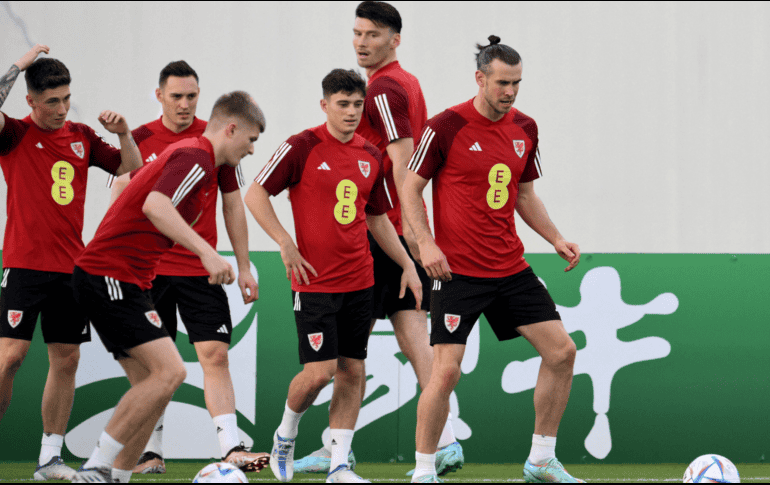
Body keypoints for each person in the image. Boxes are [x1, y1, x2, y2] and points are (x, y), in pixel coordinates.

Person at [402, 36, 584, 484]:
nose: (510, 92)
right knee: (445, 373)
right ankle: (426, 469)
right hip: (456, 272)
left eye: (517, 83)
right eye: (502, 83)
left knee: (562, 353)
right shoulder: (445, 126)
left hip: (510, 269)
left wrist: (556, 237)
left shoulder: (526, 127)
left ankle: (541, 459)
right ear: (480, 78)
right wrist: (425, 244)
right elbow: (409, 188)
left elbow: (524, 194)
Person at [293, 2, 464, 477]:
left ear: (395, 39)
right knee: (414, 341)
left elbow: (402, 160)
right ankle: (444, 440)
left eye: (372, 34)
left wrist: (410, 230)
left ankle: (338, 449)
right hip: (401, 231)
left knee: (351, 354)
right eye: (357, 32)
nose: (361, 42)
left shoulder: (385, 88)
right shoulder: (405, 81)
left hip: (379, 229)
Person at [69, 91, 264, 483]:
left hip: (125, 279)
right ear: (231, 128)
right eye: (252, 139)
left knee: (152, 388)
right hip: (110, 274)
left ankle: (115, 477)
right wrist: (208, 254)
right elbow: (155, 206)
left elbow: (137, 186)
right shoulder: (197, 156)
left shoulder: (198, 159)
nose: (251, 150)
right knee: (169, 372)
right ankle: (95, 467)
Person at [244, 69, 421, 484]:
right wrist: (284, 242)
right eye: (342, 104)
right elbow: (256, 194)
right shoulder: (301, 146)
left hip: (360, 279)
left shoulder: (371, 155)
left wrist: (408, 263)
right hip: (314, 283)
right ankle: (285, 435)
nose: (351, 113)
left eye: (358, 105)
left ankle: (339, 463)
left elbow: (377, 219)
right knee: (319, 372)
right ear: (324, 105)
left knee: (353, 370)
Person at [0, 45, 142, 481]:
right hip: (23, 265)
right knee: (10, 358)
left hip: (70, 269)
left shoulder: (81, 135)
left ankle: (49, 458)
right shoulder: (15, 134)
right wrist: (19, 65)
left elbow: (131, 169)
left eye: (65, 98)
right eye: (51, 102)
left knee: (66, 361)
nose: (61, 109)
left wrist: (124, 134)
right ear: (30, 101)